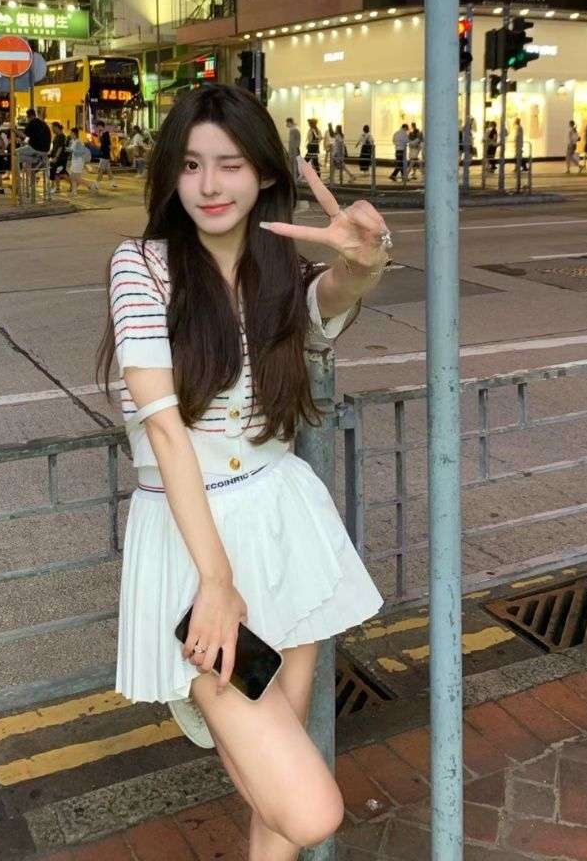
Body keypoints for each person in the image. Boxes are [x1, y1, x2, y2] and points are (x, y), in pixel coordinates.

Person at [97, 83, 384, 835]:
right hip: (194, 546)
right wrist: (217, 583)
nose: (210, 185)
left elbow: (332, 297)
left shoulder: (276, 272)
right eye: (191, 165)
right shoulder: (142, 267)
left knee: (274, 796)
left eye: (229, 164)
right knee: (308, 808)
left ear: (261, 174)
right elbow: (165, 431)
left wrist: (368, 260)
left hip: (282, 521)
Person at [91, 121, 117, 191]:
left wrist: (113, 154)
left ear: (100, 126)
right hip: (103, 154)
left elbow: (109, 145)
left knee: (100, 170)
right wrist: (99, 134)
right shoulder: (102, 133)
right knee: (108, 170)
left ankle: (97, 184)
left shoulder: (106, 134)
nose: (96, 128)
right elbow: (99, 142)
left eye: (97, 127)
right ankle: (113, 183)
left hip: (105, 154)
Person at [68, 128, 91, 195]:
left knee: (77, 178)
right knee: (72, 177)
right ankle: (74, 191)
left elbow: (80, 153)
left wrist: (72, 150)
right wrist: (69, 149)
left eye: (71, 133)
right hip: (74, 161)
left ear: (74, 133)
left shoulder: (79, 142)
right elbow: (72, 150)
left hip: (79, 161)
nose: (70, 134)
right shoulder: (73, 141)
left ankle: (91, 185)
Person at [285, 117, 302, 183]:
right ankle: (295, 177)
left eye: (287, 123)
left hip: (293, 150)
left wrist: (292, 151)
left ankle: (295, 178)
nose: (286, 124)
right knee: (294, 164)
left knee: (293, 164)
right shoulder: (294, 129)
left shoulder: (293, 130)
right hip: (294, 150)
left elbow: (293, 142)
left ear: (290, 122)